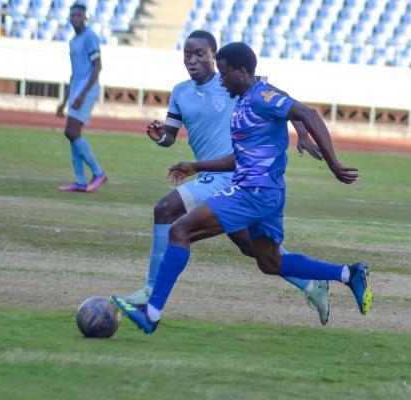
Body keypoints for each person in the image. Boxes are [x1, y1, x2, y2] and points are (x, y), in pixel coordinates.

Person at [112, 42, 372, 334]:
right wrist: (197, 166)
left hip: (253, 191)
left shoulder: (261, 97)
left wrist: (333, 163)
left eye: (225, 74)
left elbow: (307, 113)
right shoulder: (245, 103)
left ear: (242, 72)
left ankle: (152, 311)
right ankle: (348, 273)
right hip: (266, 194)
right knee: (270, 262)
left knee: (179, 230)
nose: (221, 80)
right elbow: (241, 158)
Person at [56, 3, 107, 193]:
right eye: (72, 15)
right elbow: (74, 73)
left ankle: (98, 173)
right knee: (71, 134)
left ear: (85, 18)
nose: (75, 18)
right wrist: (64, 100)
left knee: (71, 131)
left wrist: (83, 93)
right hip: (77, 90)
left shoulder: (90, 36)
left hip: (87, 90)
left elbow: (98, 66)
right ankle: (79, 180)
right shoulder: (73, 41)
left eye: (78, 15)